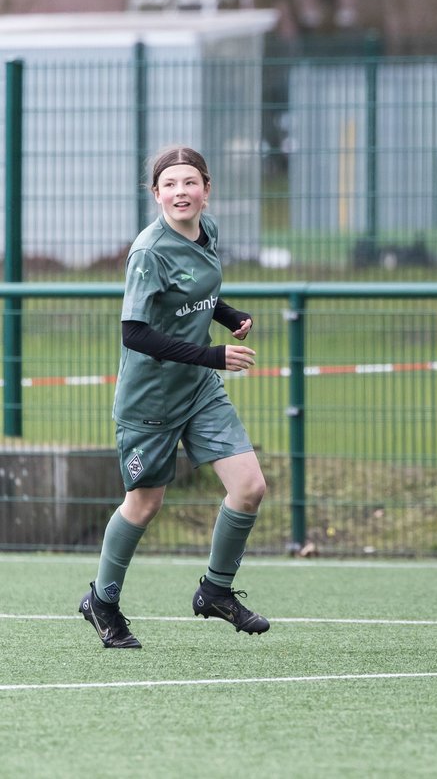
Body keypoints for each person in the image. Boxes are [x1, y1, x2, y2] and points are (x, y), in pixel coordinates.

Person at [79, 146, 270, 648]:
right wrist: (213, 356)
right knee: (144, 506)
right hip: (152, 398)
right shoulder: (149, 251)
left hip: (199, 390)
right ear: (156, 193)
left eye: (190, 183)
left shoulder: (208, 233)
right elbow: (135, 334)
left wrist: (228, 317)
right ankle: (102, 600)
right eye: (170, 184)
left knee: (249, 487)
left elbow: (196, 296)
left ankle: (215, 590)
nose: (180, 192)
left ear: (207, 190)